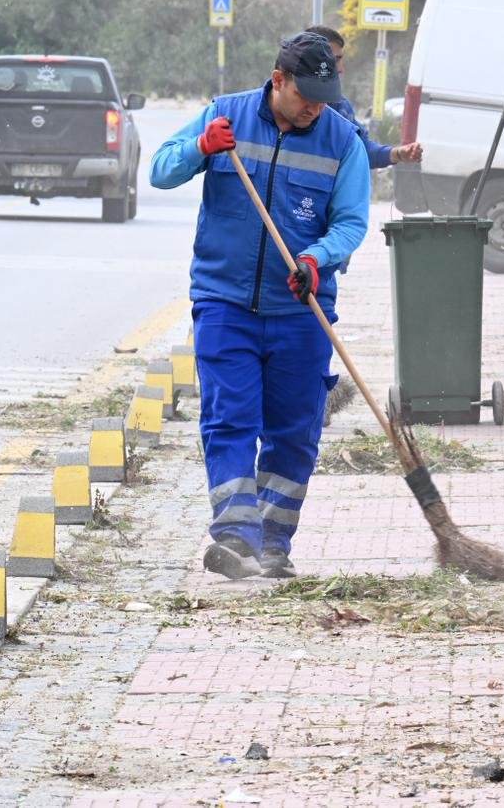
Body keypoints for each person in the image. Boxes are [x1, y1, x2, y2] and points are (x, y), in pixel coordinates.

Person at [150, 31, 371, 580]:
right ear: (278, 79)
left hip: (301, 309)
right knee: (229, 418)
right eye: (306, 97)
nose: (315, 108)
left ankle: (273, 543)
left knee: (294, 431)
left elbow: (350, 222)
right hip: (226, 302)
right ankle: (235, 537)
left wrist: (316, 259)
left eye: (324, 96)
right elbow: (160, 170)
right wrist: (201, 147)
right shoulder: (224, 116)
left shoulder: (342, 141)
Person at [304, 24, 423, 168]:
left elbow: (360, 149)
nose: (341, 69)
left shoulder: (341, 108)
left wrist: (396, 154)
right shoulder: (275, 112)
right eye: (334, 60)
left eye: (340, 60)